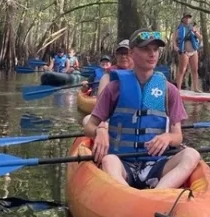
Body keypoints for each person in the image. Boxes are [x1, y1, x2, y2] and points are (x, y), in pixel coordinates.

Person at [84, 28, 201, 190]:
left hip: (156, 163)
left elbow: (177, 136)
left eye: (155, 50)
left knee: (192, 154)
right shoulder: (114, 88)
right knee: (108, 161)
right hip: (122, 161)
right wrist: (100, 131)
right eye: (146, 49)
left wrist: (167, 138)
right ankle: (127, 195)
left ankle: (157, 195)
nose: (152, 54)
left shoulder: (168, 90)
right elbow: (90, 125)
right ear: (132, 53)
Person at [171, 13, 202, 92]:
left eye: (189, 18)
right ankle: (178, 89)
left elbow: (200, 37)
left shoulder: (193, 28)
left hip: (194, 51)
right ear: (183, 19)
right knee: (182, 70)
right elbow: (174, 40)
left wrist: (195, 32)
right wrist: (175, 47)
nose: (188, 19)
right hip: (184, 52)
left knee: (195, 70)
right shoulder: (179, 29)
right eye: (186, 18)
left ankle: (196, 88)